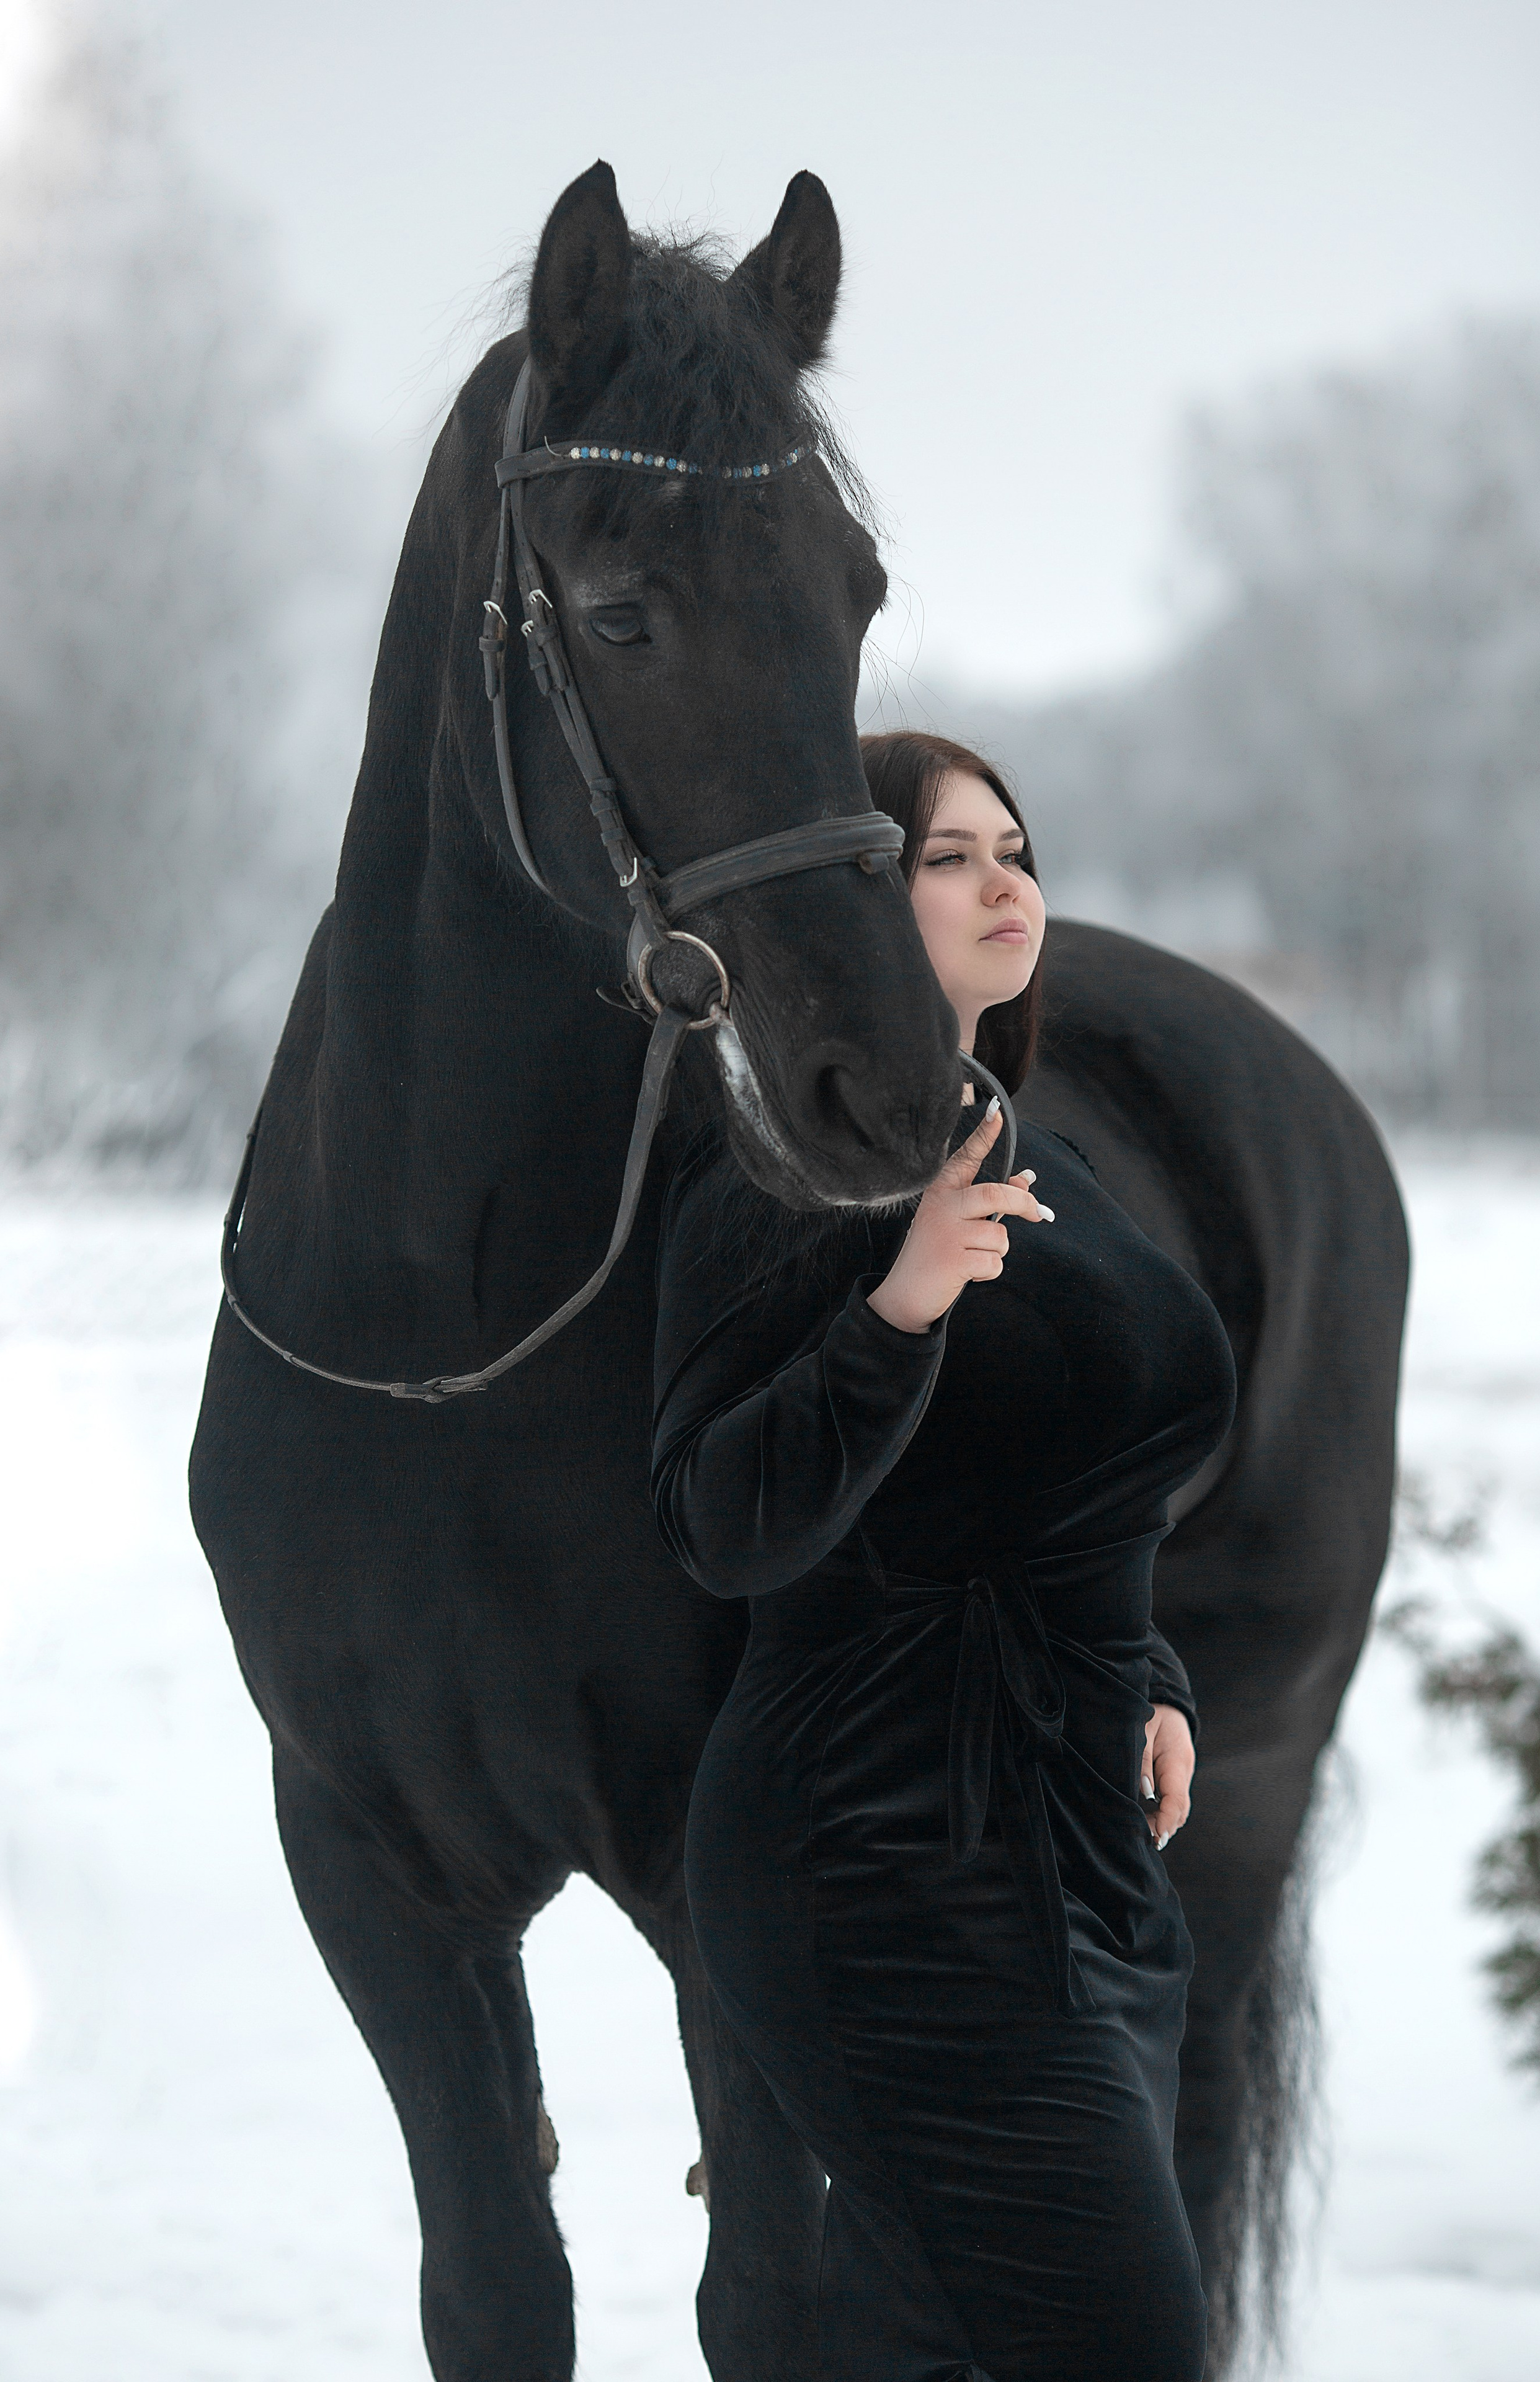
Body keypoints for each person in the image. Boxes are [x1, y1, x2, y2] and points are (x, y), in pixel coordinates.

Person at [651, 730, 1236, 2382]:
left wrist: (1149, 1672)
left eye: (1016, 847)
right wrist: (896, 1312)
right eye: (947, 857)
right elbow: (719, 1525)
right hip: (883, 1865)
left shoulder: (1056, 1164)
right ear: (848, 906)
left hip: (1094, 1870)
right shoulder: (776, 1183)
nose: (1007, 884)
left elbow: (1066, 1482)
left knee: (929, 2347)